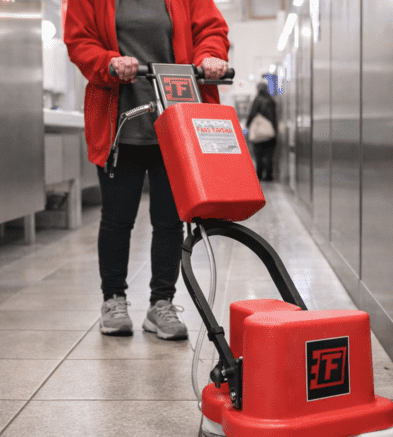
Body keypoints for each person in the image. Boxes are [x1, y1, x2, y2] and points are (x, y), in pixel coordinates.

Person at [64, 0, 230, 339]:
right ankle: (113, 300)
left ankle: (161, 304)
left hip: (175, 122)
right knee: (116, 218)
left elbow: (210, 29)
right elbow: (79, 40)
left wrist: (209, 57)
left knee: (169, 220)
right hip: (120, 123)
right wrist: (107, 61)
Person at [246, 82, 277, 181]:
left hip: (259, 132)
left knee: (258, 155)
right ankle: (268, 175)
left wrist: (248, 124)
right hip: (270, 132)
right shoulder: (271, 100)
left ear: (258, 89)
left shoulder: (257, 99)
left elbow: (252, 114)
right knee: (269, 155)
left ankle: (259, 174)